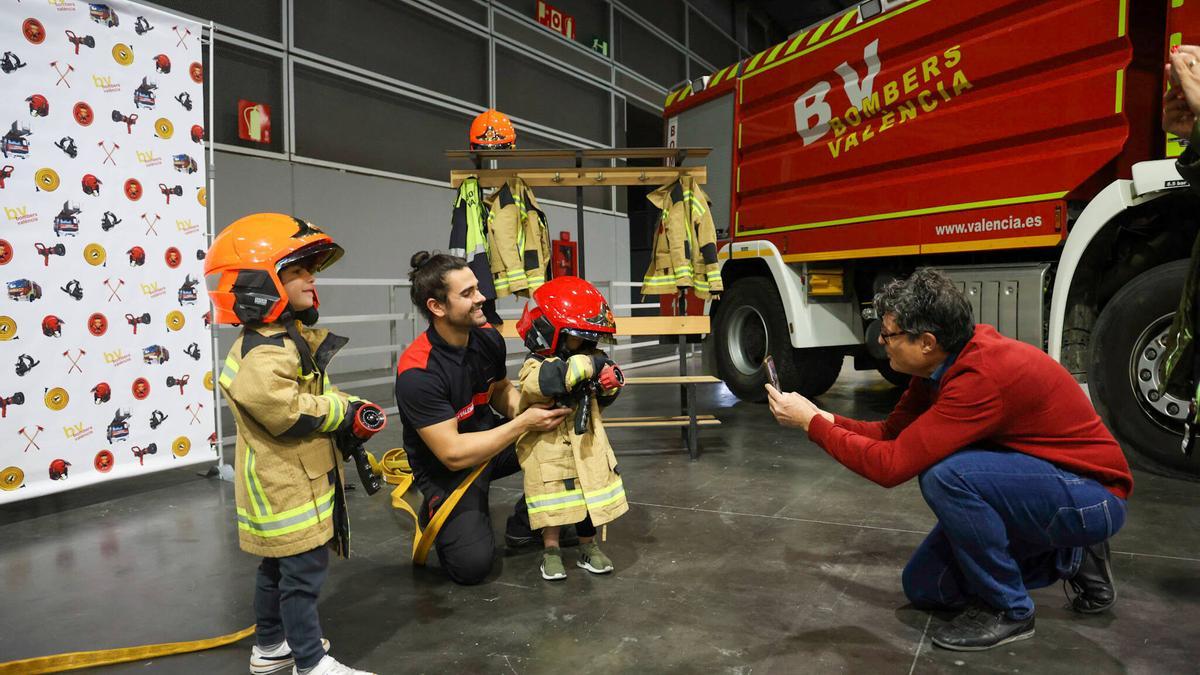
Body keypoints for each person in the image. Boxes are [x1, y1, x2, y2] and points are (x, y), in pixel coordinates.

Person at [766, 269, 1133, 651]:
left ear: (926, 341)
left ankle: (1010, 610)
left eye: (889, 334)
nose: (881, 341)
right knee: (926, 587)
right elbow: (891, 435)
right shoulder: (937, 366)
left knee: (946, 475)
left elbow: (890, 467)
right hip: (1043, 482)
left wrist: (811, 425)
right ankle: (1071, 557)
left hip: (1092, 495)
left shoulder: (979, 377)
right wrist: (821, 417)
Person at [205, 213, 381, 675]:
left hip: (287, 478)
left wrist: (346, 403)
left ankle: (269, 647)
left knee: (275, 568)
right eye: (297, 270)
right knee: (302, 575)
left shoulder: (281, 340)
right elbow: (286, 411)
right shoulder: (266, 352)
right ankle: (310, 662)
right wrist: (342, 412)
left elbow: (310, 393)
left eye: (310, 270)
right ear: (257, 284)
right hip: (284, 483)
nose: (311, 279)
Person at [393, 252, 570, 585]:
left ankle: (526, 519)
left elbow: (501, 389)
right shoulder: (418, 372)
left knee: (559, 429)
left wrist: (528, 411)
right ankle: (435, 506)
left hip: (489, 441)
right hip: (446, 469)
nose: (482, 298)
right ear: (437, 307)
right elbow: (452, 453)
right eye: (468, 293)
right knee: (471, 568)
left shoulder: (486, 336)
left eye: (477, 288)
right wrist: (524, 423)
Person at [513, 276, 629, 580]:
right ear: (553, 333)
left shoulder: (589, 359)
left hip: (586, 445)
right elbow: (547, 381)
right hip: (548, 451)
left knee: (589, 499)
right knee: (553, 503)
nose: (589, 347)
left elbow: (600, 402)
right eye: (581, 339)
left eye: (591, 341)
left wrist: (609, 384)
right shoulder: (535, 365)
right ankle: (550, 551)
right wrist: (591, 366)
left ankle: (588, 547)